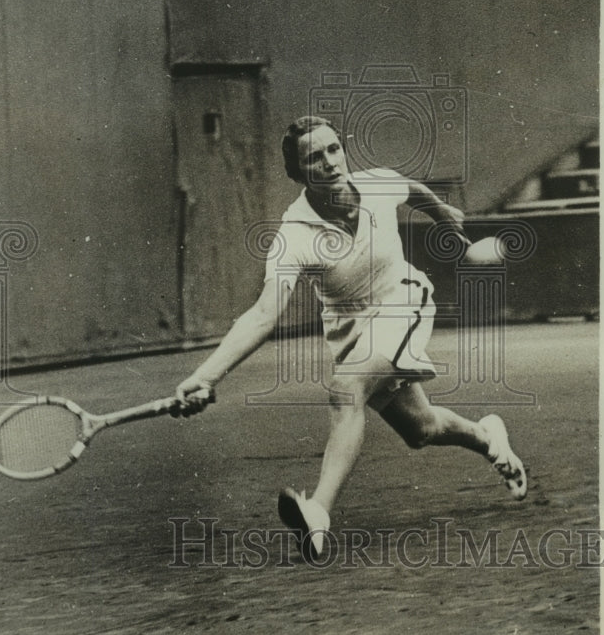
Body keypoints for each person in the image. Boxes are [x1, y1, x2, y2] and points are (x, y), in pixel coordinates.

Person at [175, 116, 527, 560]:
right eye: (313, 158)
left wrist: (442, 214)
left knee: (346, 390)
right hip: (350, 332)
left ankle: (318, 511)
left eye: (333, 150)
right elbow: (264, 314)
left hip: (403, 300)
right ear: (298, 173)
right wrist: (206, 375)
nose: (328, 162)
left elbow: (413, 191)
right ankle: (490, 437)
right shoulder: (292, 238)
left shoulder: (377, 185)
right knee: (422, 429)